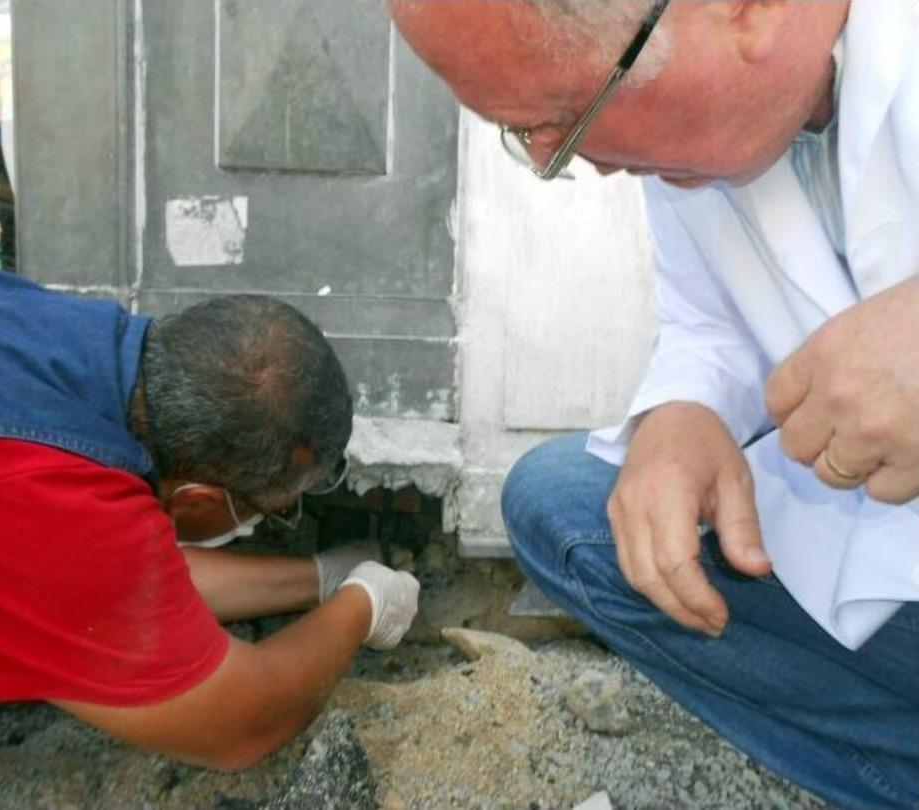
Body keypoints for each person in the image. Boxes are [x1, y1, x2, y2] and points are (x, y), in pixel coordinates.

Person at [389, 1, 918, 807]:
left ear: (753, 11)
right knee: (569, 508)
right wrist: (683, 412)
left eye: (565, 119)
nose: (567, 162)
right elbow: (708, 323)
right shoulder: (716, 130)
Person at [0, 259, 420, 772]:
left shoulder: (71, 334)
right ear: (197, 499)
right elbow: (241, 724)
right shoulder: (28, 499)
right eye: (272, 511)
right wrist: (361, 607)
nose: (273, 520)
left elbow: (114, 580)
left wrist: (320, 578)